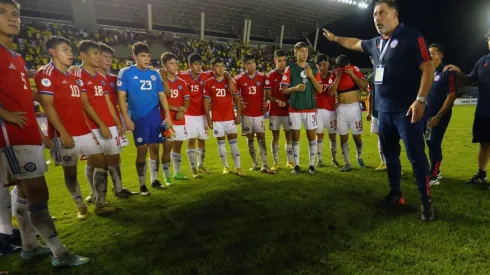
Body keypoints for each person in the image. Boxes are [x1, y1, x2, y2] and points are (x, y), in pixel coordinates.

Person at [323, 0, 435, 221]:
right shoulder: (375, 42)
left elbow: (428, 66)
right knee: (390, 156)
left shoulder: (412, 36)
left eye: (381, 13)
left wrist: (420, 99)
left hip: (407, 110)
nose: (376, 18)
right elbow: (354, 43)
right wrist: (336, 39)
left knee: (416, 157)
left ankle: (426, 202)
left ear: (394, 15)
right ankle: (396, 194)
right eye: (374, 14)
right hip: (383, 111)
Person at [0, 0, 89, 266]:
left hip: (28, 134)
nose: (12, 18)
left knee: (27, 194)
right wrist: (5, 114)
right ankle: (59, 254)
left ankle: (29, 247)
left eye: (15, 13)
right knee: (38, 193)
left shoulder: (15, 56)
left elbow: (25, 97)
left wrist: (40, 135)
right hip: (12, 136)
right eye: (3, 13)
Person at [35, 36, 108, 219]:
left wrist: (100, 124)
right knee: (70, 171)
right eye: (65, 49)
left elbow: (85, 103)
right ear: (53, 52)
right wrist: (63, 133)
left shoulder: (75, 76)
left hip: (84, 131)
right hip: (64, 135)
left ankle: (100, 204)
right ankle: (80, 205)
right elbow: (48, 105)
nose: (70, 53)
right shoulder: (45, 73)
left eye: (70, 49)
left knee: (101, 162)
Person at [118, 42, 172, 196]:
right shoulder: (126, 72)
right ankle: (142, 185)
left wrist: (167, 116)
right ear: (135, 57)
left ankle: (155, 180)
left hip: (155, 116)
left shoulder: (154, 74)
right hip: (139, 118)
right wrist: (126, 118)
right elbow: (121, 97)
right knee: (142, 151)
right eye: (142, 56)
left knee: (156, 147)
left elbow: (162, 96)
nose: (146, 59)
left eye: (148, 56)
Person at [444, 30, 490, 187]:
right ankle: (481, 176)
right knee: (484, 144)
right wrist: (459, 72)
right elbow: (470, 79)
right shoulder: (483, 61)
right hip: (484, 110)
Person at [96, 42, 136, 197]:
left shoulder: (114, 79)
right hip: (95, 125)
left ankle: (118, 188)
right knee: (96, 161)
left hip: (113, 123)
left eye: (110, 57)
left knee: (115, 156)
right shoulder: (84, 76)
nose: (108, 60)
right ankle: (95, 194)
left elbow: (120, 100)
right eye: (104, 56)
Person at [281, 42, 323, 175]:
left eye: (306, 51)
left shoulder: (313, 69)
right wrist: (295, 88)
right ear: (295, 53)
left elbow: (320, 89)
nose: (304, 54)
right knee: (295, 137)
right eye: (301, 51)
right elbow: (283, 90)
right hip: (295, 108)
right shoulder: (290, 69)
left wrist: (310, 76)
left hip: (310, 108)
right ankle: (297, 165)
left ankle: (311, 165)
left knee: (311, 136)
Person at [203, 58, 244, 176]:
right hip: (216, 119)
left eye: (222, 66)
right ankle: (226, 167)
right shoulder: (208, 83)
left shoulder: (231, 82)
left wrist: (238, 115)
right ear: (213, 68)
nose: (220, 68)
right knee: (220, 143)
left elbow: (237, 99)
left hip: (230, 117)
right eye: (217, 66)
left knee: (234, 143)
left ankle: (238, 167)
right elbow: (205, 102)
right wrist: (209, 119)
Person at [423, 44, 456, 186]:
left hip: (440, 116)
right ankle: (436, 170)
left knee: (435, 143)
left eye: (432, 53)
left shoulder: (447, 72)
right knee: (430, 143)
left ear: (440, 56)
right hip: (427, 115)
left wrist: (439, 116)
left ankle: (434, 175)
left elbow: (451, 95)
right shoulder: (429, 71)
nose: (429, 55)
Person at [235, 54, 274, 174]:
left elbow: (268, 95)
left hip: (258, 114)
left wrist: (267, 105)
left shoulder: (263, 77)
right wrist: (239, 104)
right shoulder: (239, 79)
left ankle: (265, 164)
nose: (251, 65)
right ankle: (255, 163)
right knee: (250, 138)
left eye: (253, 62)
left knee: (261, 137)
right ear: (244, 65)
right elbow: (233, 95)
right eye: (248, 63)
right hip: (246, 114)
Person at [329, 55, 368, 172]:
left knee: (357, 137)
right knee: (343, 138)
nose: (345, 68)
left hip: (355, 108)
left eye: (346, 66)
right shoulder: (336, 73)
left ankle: (359, 157)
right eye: (342, 67)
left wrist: (352, 74)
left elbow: (364, 86)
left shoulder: (354, 70)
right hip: (341, 109)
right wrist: (338, 78)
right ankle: (347, 163)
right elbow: (331, 92)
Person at [177, 53, 212, 177]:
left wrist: (229, 78)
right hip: (189, 115)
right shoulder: (182, 76)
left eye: (200, 64)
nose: (198, 67)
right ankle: (193, 169)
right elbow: (164, 73)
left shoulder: (206, 75)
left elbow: (223, 73)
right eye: (196, 64)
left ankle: (200, 165)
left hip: (202, 114)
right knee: (191, 140)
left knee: (202, 139)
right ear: (189, 65)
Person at [158, 52, 190, 183]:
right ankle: (167, 177)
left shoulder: (182, 82)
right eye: (171, 63)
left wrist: (184, 110)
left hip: (180, 119)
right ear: (165, 66)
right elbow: (160, 101)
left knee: (178, 146)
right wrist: (177, 109)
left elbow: (187, 99)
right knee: (167, 147)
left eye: (175, 62)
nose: (175, 65)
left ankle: (177, 172)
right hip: (167, 120)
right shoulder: (160, 81)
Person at [265, 49, 294, 171]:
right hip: (275, 111)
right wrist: (277, 101)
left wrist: (287, 102)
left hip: (288, 110)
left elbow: (293, 92)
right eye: (279, 61)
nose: (282, 63)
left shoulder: (291, 74)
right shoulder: (270, 75)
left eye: (283, 61)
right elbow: (268, 95)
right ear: (275, 61)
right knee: (275, 136)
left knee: (289, 135)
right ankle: (276, 162)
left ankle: (290, 161)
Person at [314, 54, 340, 168]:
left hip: (331, 110)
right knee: (319, 136)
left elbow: (333, 91)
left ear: (328, 64)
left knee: (332, 136)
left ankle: (334, 160)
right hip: (318, 110)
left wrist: (339, 100)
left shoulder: (333, 75)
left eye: (324, 64)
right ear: (316, 66)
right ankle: (319, 160)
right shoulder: (314, 77)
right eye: (319, 65)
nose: (322, 67)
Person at [366, 56, 387, 172]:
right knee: (380, 136)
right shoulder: (370, 77)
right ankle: (384, 163)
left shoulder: (390, 73)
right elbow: (370, 96)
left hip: (388, 111)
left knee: (390, 138)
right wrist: (369, 112)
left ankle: (393, 163)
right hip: (376, 112)